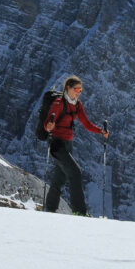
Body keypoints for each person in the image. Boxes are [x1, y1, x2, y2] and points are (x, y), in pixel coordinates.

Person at [42, 75, 109, 216]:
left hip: (68, 145)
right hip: (57, 144)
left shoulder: (77, 105)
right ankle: (80, 211)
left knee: (60, 178)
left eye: (80, 90)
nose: (79, 92)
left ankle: (49, 210)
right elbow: (47, 124)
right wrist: (49, 126)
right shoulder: (58, 104)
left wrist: (100, 131)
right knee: (75, 173)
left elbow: (86, 123)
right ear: (68, 88)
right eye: (76, 89)